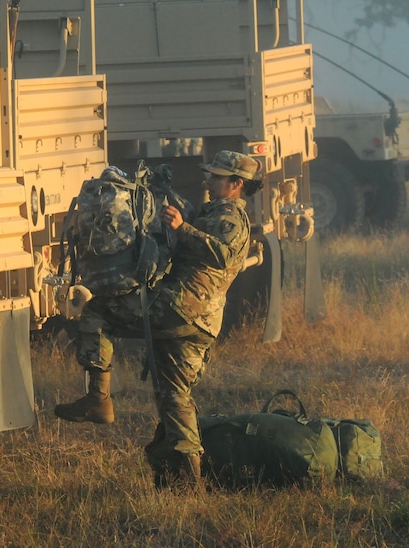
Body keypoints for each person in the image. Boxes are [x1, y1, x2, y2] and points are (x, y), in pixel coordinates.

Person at [54, 150, 262, 488]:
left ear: (237, 184)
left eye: (217, 176)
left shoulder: (231, 218)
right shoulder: (215, 211)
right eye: (209, 173)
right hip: (199, 319)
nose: (208, 180)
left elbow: (224, 256)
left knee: (96, 310)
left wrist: (183, 229)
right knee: (174, 396)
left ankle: (98, 398)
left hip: (180, 308)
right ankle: (185, 481)